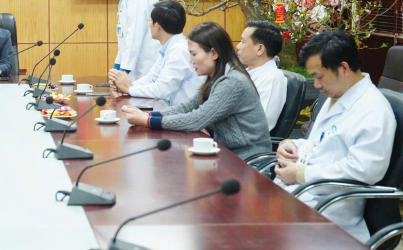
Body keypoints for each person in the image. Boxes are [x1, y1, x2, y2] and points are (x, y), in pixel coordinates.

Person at [273, 31, 395, 242]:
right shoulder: (337, 95)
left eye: (319, 76)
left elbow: (364, 170)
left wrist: (301, 174)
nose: (316, 85)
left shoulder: (374, 110)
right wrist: (291, 143)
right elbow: (320, 143)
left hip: (328, 210)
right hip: (300, 194)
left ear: (344, 68)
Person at [121, 22, 271, 160]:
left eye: (194, 54)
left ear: (214, 53)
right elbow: (186, 108)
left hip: (248, 161)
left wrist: (146, 121)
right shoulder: (216, 78)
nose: (190, 60)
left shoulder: (232, 82)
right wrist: (147, 116)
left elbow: (197, 119)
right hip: (227, 154)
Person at [108, 0, 203, 107]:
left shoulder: (179, 51)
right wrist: (124, 85)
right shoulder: (171, 47)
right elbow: (151, 78)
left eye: (151, 21)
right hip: (170, 110)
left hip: (183, 114)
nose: (149, 25)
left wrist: (129, 89)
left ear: (157, 26)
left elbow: (162, 90)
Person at [236, 21, 287, 131]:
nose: (238, 46)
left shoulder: (272, 78)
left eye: (243, 41)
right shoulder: (246, 73)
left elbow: (259, 125)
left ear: (260, 49)